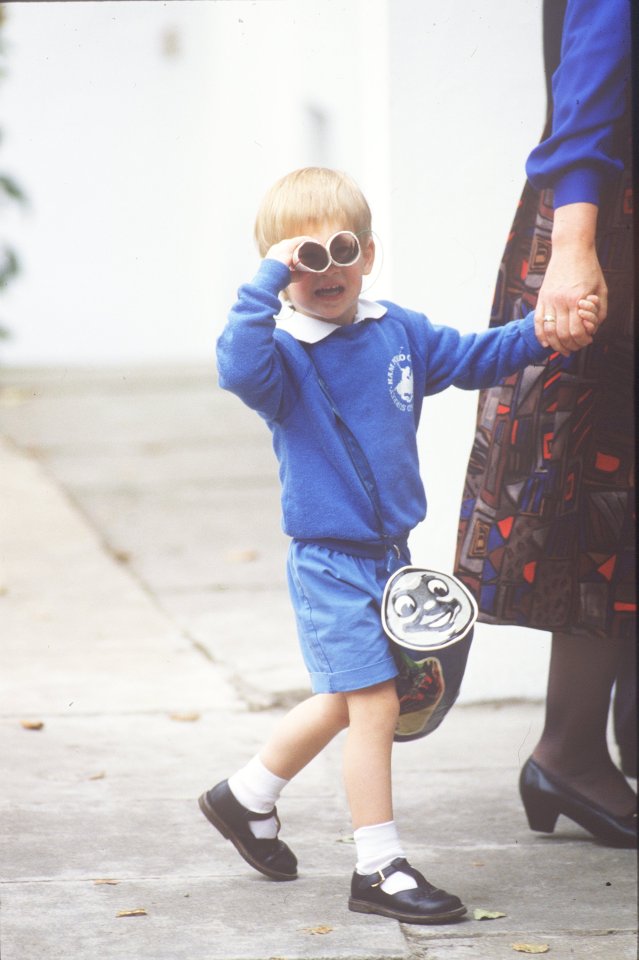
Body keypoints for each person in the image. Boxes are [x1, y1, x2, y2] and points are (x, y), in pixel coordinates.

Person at [198, 166, 599, 924]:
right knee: (374, 701)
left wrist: (549, 328)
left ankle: (244, 796)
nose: (326, 269)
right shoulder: (280, 356)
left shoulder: (397, 330)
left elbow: (476, 356)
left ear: (368, 256)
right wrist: (262, 284)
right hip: (328, 559)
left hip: (389, 559)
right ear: (281, 273)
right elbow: (234, 365)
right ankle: (377, 866)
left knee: (349, 697)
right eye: (302, 257)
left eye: (340, 249)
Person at [454, 0, 636, 848]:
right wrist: (573, 243)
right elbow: (590, 62)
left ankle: (577, 749)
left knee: (608, 485)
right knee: (601, 485)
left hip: (606, 212)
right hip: (608, 221)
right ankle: (568, 750)